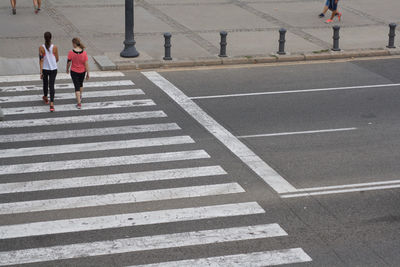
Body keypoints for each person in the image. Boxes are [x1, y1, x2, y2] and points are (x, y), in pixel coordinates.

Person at [66, 37, 89, 109]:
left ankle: (79, 103)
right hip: (82, 71)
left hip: (74, 71)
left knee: (76, 86)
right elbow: (86, 64)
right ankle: (80, 96)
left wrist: (67, 69)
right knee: (80, 84)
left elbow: (69, 62)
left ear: (74, 43)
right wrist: (88, 73)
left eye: (72, 43)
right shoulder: (84, 53)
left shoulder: (71, 52)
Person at [39, 32, 59, 112]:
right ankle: (51, 104)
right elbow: (57, 59)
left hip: (45, 69)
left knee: (45, 83)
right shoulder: (55, 47)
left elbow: (40, 60)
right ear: (51, 38)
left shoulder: (41, 47)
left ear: (44, 38)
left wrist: (41, 72)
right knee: (51, 85)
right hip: (53, 69)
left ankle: (45, 97)